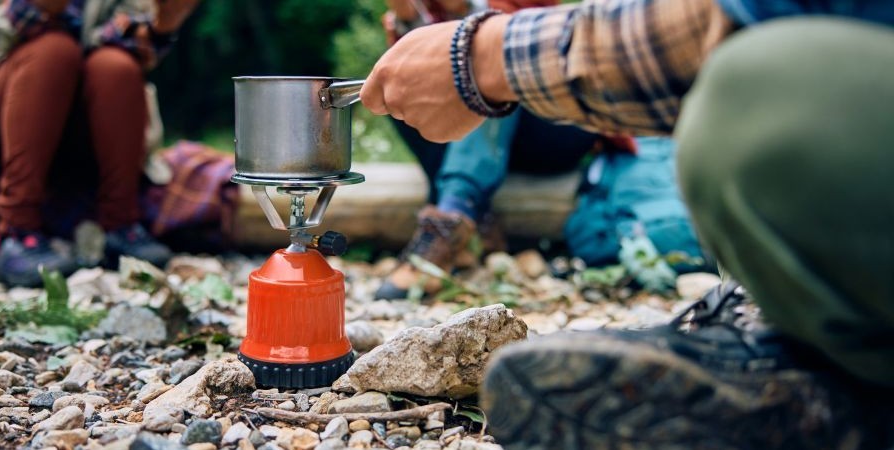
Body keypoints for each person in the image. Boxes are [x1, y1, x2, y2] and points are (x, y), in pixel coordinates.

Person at [361, 0, 894, 448]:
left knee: (750, 84)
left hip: (553, 127)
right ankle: (827, 366)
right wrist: (415, 24)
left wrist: (477, 55)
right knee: (415, 89)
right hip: (498, 124)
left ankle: (455, 216)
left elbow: (743, 17)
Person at [376, 0, 704, 300]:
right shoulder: (427, 9)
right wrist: (407, 18)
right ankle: (473, 222)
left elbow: (530, 52)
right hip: (491, 139)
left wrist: (467, 22)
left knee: (483, 75)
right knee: (396, 88)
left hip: (558, 123)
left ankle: (449, 222)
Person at [0, 0, 201, 286]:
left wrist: (162, 27)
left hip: (84, 119)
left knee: (116, 66)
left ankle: (119, 226)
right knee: (55, 51)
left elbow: (127, 39)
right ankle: (15, 231)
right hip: (14, 103)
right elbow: (4, 22)